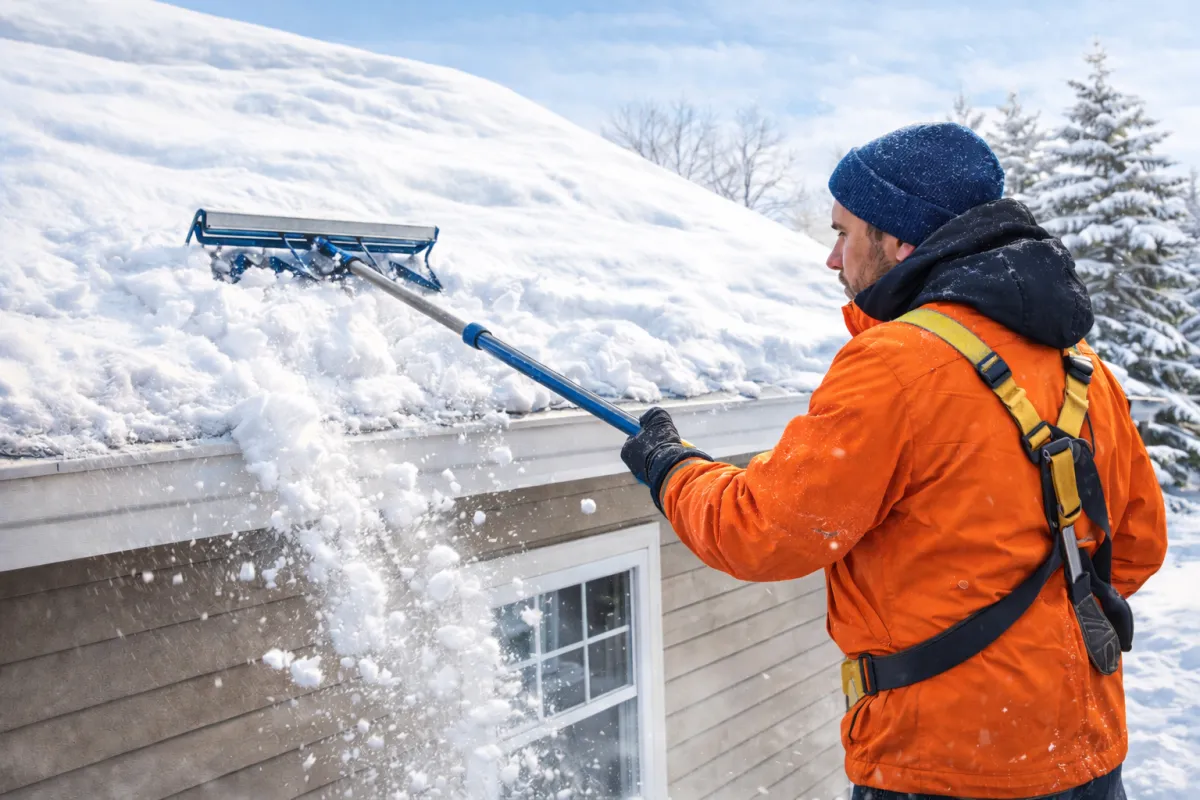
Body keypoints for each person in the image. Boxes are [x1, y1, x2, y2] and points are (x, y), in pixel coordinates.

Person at [620, 123, 1168, 800]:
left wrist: (672, 470)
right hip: (1084, 753)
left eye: (843, 233)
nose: (832, 259)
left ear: (901, 240)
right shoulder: (1085, 369)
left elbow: (763, 532)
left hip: (944, 765)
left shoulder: (896, 366)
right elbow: (1137, 547)